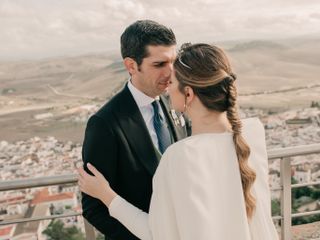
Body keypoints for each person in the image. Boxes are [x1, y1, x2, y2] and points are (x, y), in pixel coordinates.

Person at [79, 43, 279, 240]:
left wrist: (106, 195)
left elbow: (154, 233)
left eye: (173, 82)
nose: (167, 85)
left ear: (189, 94)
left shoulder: (179, 155)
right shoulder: (252, 133)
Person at [81, 20, 190, 240]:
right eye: (159, 64)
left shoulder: (176, 104)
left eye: (173, 62)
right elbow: (93, 208)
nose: (170, 73)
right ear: (131, 65)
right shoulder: (105, 123)